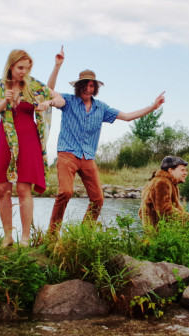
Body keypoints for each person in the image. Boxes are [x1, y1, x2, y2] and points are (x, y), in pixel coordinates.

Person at [47, 63, 166, 233]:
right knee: (65, 192)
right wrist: (58, 65)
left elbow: (126, 117)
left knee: (98, 198)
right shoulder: (68, 101)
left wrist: (152, 107)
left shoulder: (101, 108)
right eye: (85, 85)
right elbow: (48, 90)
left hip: (88, 157)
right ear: (79, 86)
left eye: (92, 85)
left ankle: (84, 233)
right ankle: (52, 234)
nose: (88, 89)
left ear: (95, 88)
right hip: (67, 153)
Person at [0, 48, 66, 246]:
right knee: (3, 188)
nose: (23, 71)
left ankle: (25, 237)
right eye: (20, 67)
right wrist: (5, 100)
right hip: (5, 138)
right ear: (11, 65)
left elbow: (61, 100)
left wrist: (48, 102)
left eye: (27, 68)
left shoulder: (33, 85)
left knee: (24, 188)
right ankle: (7, 237)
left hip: (28, 139)